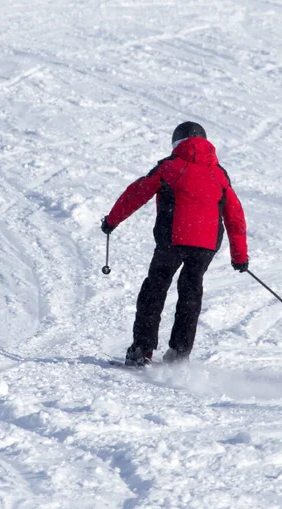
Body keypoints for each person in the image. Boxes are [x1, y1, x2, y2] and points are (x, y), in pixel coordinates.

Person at [101, 122, 249, 365]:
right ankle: (180, 354)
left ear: (176, 143)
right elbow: (235, 216)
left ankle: (142, 350)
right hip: (206, 245)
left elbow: (137, 193)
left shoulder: (169, 167)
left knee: (155, 288)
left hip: (174, 239)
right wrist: (240, 257)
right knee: (191, 292)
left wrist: (111, 221)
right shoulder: (219, 174)